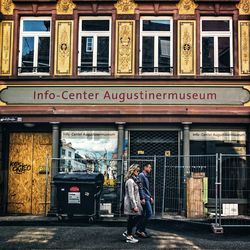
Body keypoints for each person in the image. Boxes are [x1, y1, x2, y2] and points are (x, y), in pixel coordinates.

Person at [123, 164, 143, 243]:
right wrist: (134, 206)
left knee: (133, 219)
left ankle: (128, 232)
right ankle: (129, 236)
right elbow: (131, 195)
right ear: (132, 171)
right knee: (132, 219)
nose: (138, 172)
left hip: (134, 202)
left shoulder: (134, 180)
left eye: (138, 171)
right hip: (131, 204)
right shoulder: (130, 181)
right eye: (137, 171)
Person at [136, 163, 154, 238]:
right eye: (149, 167)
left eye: (150, 167)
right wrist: (143, 198)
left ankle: (139, 230)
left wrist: (150, 197)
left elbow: (146, 189)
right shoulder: (141, 175)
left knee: (143, 214)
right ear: (145, 167)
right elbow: (141, 188)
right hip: (144, 198)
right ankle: (140, 230)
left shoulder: (145, 176)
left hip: (147, 197)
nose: (151, 169)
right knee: (149, 214)